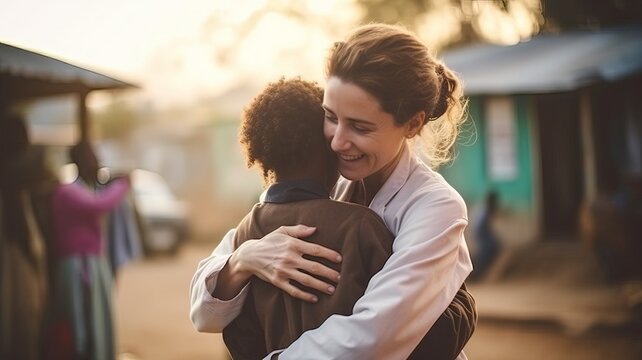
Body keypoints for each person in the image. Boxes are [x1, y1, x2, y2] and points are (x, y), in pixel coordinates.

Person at [191, 23, 476, 359]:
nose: (337, 141)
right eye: (330, 117)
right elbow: (202, 311)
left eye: (359, 126)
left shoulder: (434, 208)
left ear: (412, 123)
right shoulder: (318, 184)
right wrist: (244, 260)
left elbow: (372, 335)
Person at [221, 78, 395, 359]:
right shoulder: (361, 226)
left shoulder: (245, 234)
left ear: (262, 155)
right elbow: (396, 322)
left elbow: (239, 337)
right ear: (331, 148)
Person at [48, 140, 130, 360]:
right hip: (76, 267)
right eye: (91, 156)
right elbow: (97, 206)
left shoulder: (88, 190)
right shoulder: (65, 192)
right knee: (78, 325)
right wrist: (122, 185)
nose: (97, 161)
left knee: (96, 321)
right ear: (78, 161)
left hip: (92, 264)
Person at [470, 191, 500, 281]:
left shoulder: (483, 208)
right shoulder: (486, 210)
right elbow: (480, 227)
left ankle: (478, 273)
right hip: (481, 235)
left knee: (492, 247)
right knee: (486, 252)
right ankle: (477, 274)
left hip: (481, 234)